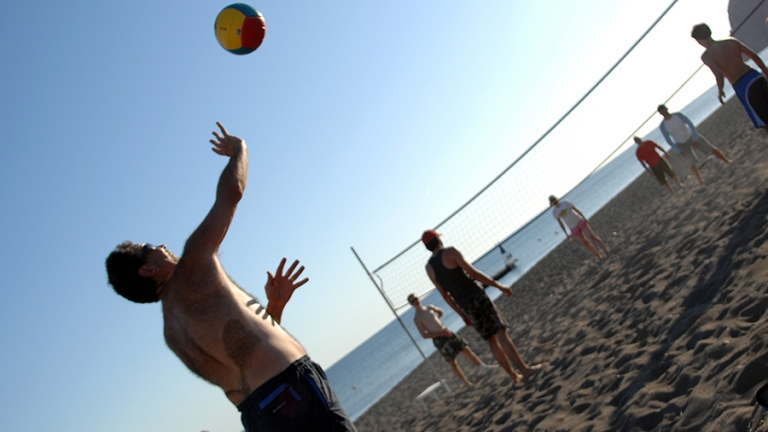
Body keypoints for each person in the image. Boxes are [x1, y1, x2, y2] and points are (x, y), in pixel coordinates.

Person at [105, 123, 356, 432]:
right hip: (294, 391)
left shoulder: (173, 333)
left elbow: (244, 368)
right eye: (150, 247)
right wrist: (240, 149)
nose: (161, 245)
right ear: (147, 270)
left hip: (260, 417)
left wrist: (274, 307)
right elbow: (231, 193)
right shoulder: (192, 267)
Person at [422, 230, 542, 383]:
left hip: (465, 305)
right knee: (501, 334)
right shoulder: (450, 251)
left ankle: (513, 376)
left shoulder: (429, 268)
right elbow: (473, 273)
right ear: (438, 240)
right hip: (476, 295)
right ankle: (524, 370)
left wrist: (461, 314)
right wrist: (498, 285)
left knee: (491, 341)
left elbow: (446, 296)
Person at [407, 293, 498, 386]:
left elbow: (440, 311)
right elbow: (424, 335)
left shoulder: (429, 307)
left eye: (415, 298)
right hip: (439, 339)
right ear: (411, 304)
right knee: (452, 362)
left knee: (465, 349)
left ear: (419, 298)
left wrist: (439, 320)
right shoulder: (417, 318)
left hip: (447, 332)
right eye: (412, 301)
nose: (415, 301)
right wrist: (440, 333)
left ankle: (483, 367)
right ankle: (466, 382)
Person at [692, 23, 768, 131]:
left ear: (698, 39)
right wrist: (765, 71)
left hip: (743, 85)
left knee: (763, 119)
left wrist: (720, 91)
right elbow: (754, 56)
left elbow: (718, 74)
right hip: (755, 76)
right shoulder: (731, 42)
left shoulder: (707, 56)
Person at [657, 104, 730, 185]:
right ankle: (700, 181)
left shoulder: (678, 115)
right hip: (681, 143)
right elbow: (668, 140)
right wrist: (679, 150)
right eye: (661, 111)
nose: (663, 112)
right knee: (690, 162)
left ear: (666, 109)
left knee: (710, 148)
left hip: (691, 135)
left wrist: (695, 139)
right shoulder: (663, 126)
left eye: (663, 109)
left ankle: (726, 161)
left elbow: (691, 125)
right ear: (660, 114)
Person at [549, 195, 608, 260]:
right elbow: (560, 223)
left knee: (591, 236)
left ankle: (605, 250)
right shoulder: (555, 212)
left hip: (579, 221)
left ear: (557, 199)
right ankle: (598, 256)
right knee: (585, 243)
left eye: (554, 199)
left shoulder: (565, 203)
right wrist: (566, 233)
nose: (554, 201)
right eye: (552, 201)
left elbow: (576, 209)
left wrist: (584, 218)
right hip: (572, 227)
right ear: (551, 203)